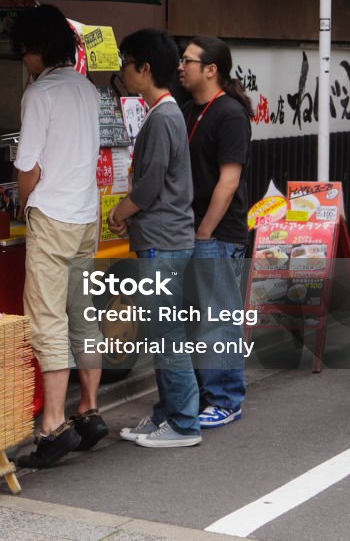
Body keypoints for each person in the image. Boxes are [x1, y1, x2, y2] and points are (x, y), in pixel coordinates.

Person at [11, 4, 106, 468]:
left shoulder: (39, 94)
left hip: (51, 216)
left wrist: (23, 202)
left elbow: (27, 165)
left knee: (47, 318)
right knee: (81, 313)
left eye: (25, 52)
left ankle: (52, 425)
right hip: (86, 214)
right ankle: (88, 409)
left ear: (38, 49)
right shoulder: (88, 90)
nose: (24, 61)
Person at [107, 29, 200, 447]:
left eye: (126, 63)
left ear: (145, 69)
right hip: (163, 237)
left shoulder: (163, 116)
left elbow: (148, 187)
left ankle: (183, 424)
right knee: (162, 330)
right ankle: (167, 414)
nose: (122, 72)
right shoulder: (166, 113)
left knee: (167, 332)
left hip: (163, 240)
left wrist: (119, 212)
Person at [177, 36, 252, 429]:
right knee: (198, 317)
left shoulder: (230, 114)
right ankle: (208, 394)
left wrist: (204, 232)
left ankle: (226, 398)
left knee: (219, 319)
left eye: (188, 60)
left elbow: (229, 181)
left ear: (211, 69)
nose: (180, 66)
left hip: (218, 234)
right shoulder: (190, 109)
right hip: (193, 231)